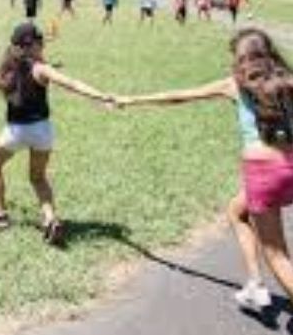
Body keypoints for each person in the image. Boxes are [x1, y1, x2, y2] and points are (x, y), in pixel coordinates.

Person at [118, 28, 293, 307]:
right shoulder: (286, 80)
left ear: (240, 60)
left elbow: (180, 95)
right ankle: (254, 283)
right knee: (237, 211)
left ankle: (261, 284)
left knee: (276, 253)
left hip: (263, 171)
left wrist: (132, 100)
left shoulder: (234, 84)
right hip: (289, 167)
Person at [0, 22, 116, 241]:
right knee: (38, 178)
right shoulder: (40, 69)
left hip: (15, 132)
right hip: (42, 131)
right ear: (32, 44)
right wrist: (101, 96)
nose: (43, 45)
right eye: (40, 41)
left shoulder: (6, 68)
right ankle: (50, 218)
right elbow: (71, 83)